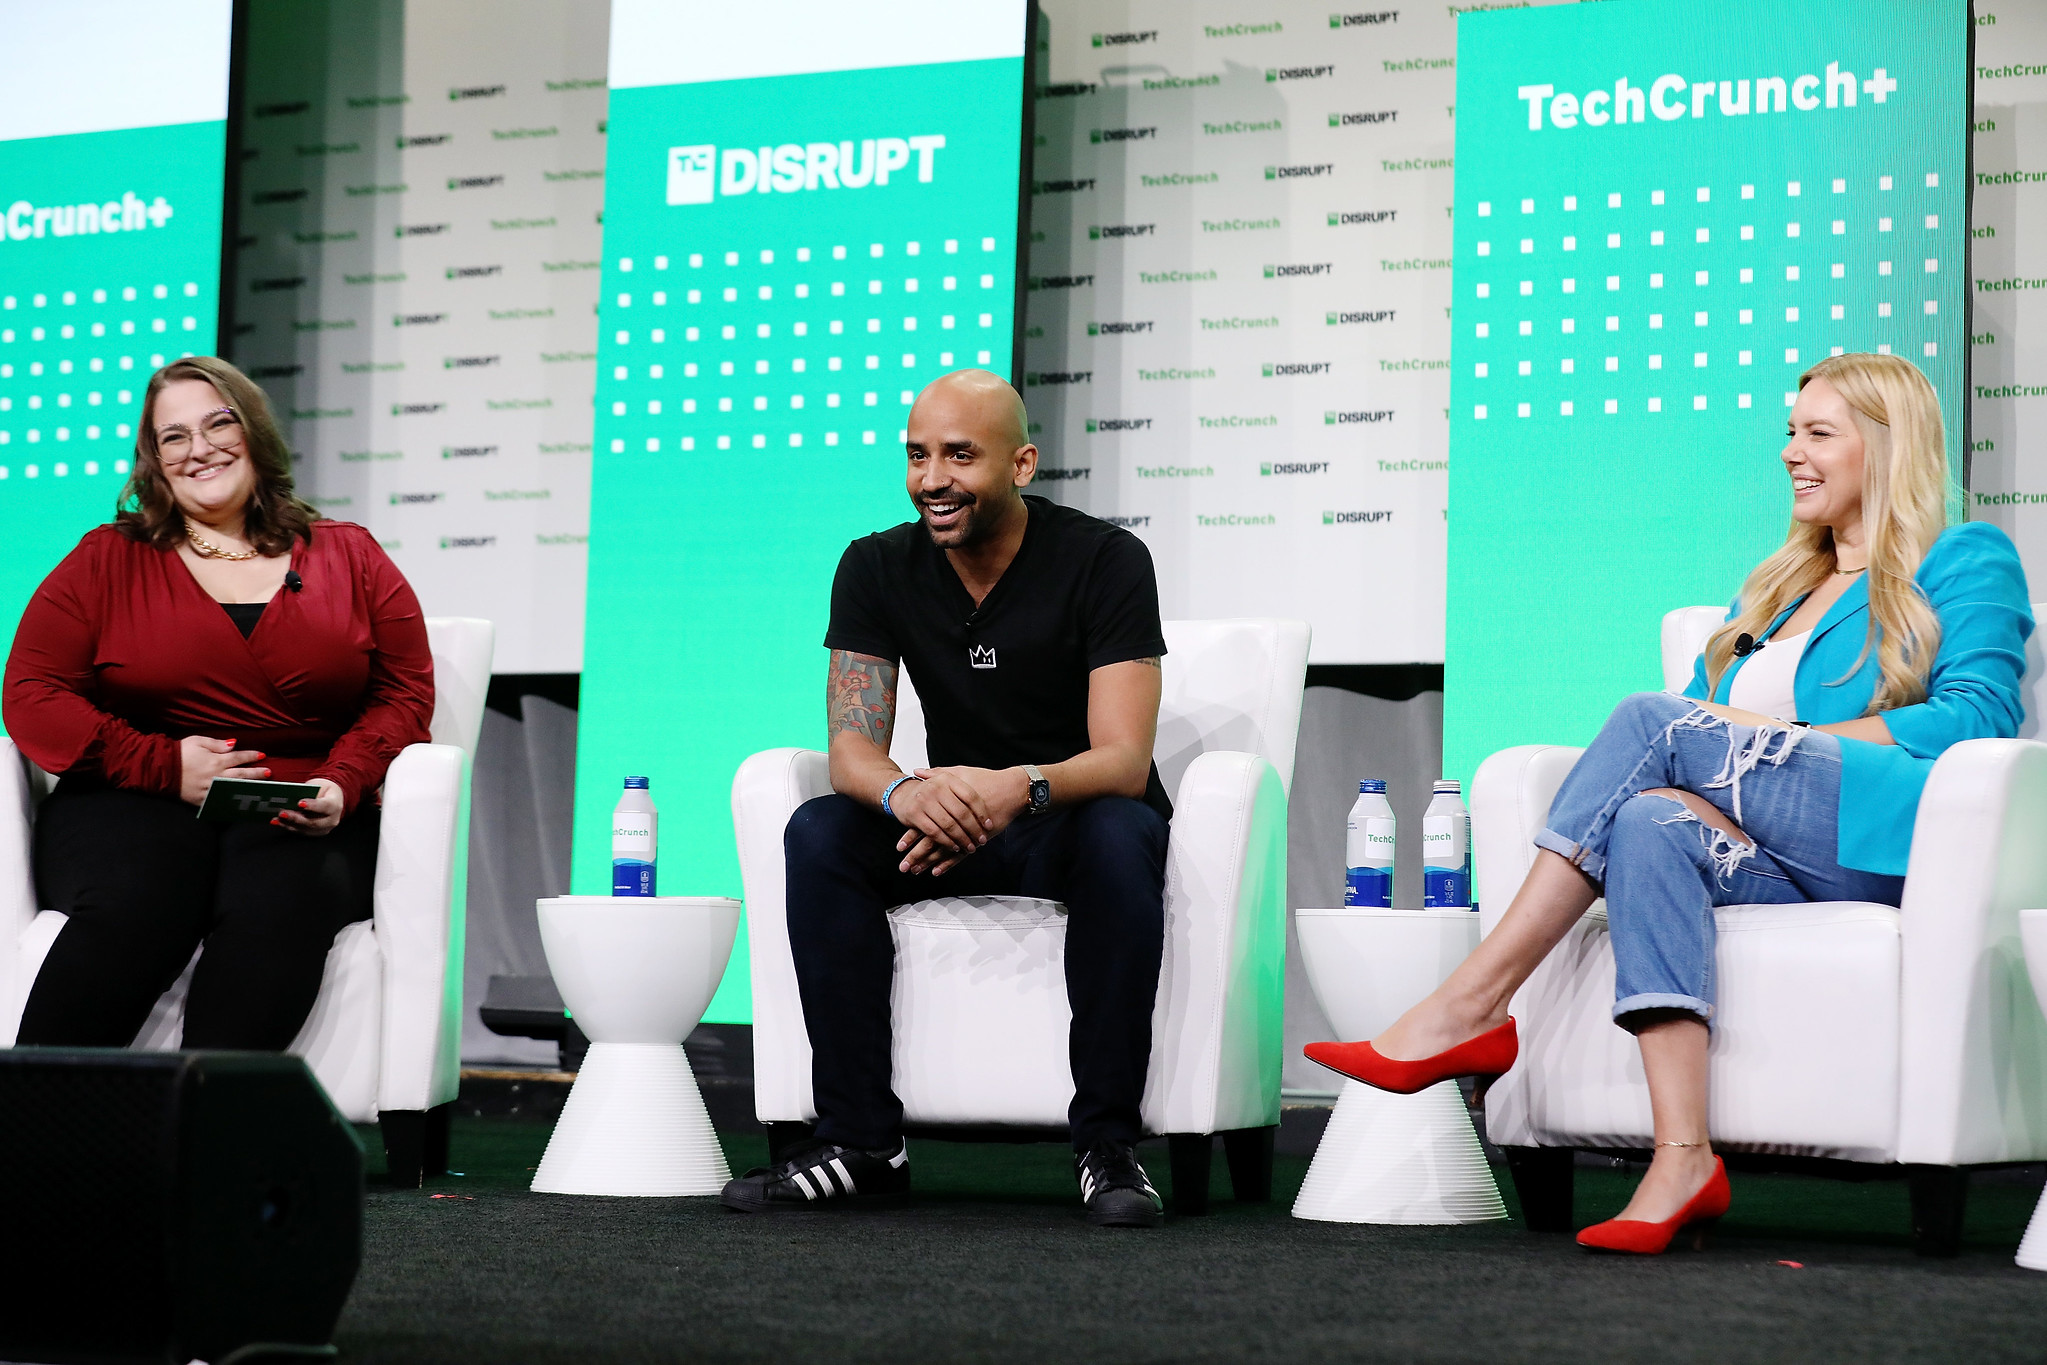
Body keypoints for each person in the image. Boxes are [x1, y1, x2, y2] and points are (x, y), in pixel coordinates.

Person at [1306, 352, 2033, 1254]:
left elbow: (1979, 716)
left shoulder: (1964, 557)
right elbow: (1692, 739)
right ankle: (1681, 1156)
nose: (1789, 453)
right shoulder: (1774, 587)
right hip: (1763, 857)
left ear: (1886, 447)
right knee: (1651, 817)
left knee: (1654, 722)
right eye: (1787, 432)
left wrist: (1787, 741)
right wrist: (1725, 742)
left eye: (1816, 433)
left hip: (1871, 834)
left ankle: (1470, 1005)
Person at [720, 369, 1174, 1227]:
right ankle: (860, 1142)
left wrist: (1015, 788)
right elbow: (851, 747)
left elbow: (1121, 758)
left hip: (1066, 814)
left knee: (1123, 833)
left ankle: (1108, 1147)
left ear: (1022, 463)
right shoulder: (875, 565)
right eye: (918, 456)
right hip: (958, 818)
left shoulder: (1106, 560)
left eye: (959, 455)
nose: (933, 479)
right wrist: (905, 797)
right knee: (820, 829)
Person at [3, 356, 434, 1051]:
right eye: (173, 437)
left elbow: (403, 691)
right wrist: (162, 764)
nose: (199, 448)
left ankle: (203, 1143)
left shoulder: (348, 555)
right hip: (132, 794)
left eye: (217, 422)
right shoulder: (109, 559)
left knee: (278, 908)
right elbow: (31, 692)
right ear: (154, 461)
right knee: (139, 898)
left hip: (298, 801)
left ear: (253, 430)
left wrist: (344, 779)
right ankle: (40, 1131)